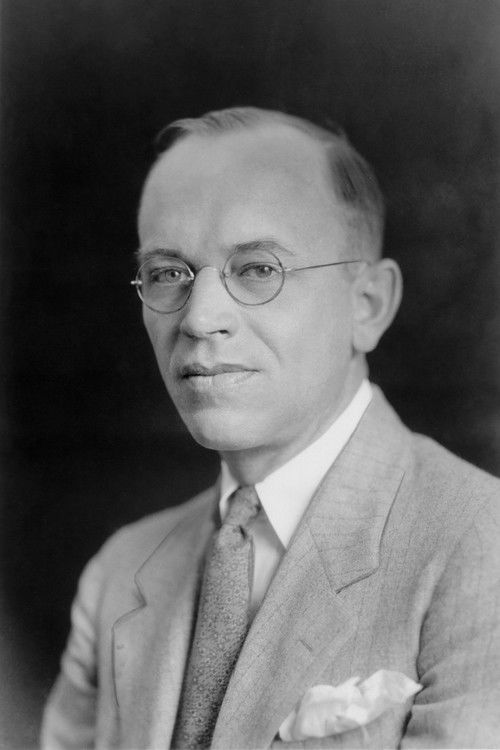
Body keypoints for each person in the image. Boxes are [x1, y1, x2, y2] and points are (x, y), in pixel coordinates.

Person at [41, 107, 500, 749]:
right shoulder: (119, 571)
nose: (198, 319)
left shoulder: (479, 545)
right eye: (168, 273)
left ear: (367, 305)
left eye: (258, 268)